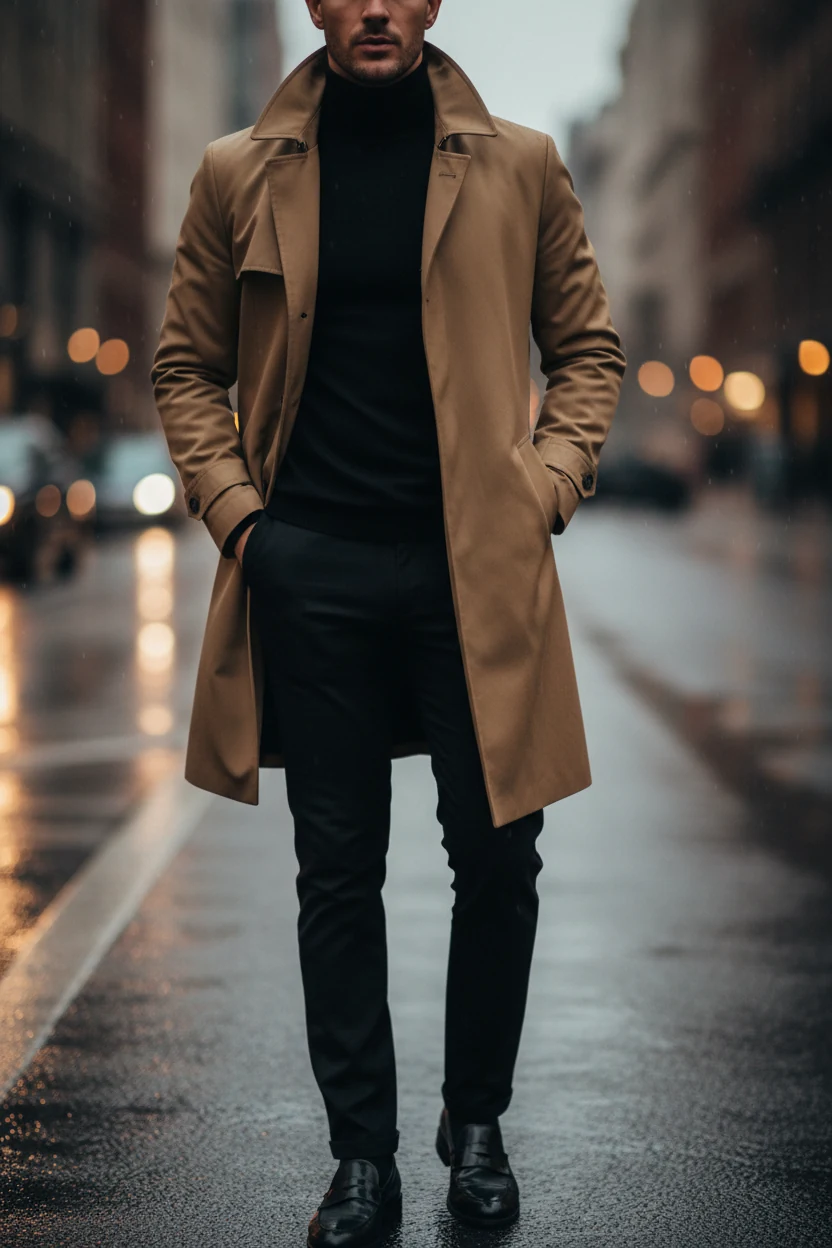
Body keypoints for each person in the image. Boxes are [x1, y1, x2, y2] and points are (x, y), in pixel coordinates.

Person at [152, 1, 625, 1243]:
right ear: (315, 3)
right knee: (336, 876)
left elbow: (586, 349)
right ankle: (360, 1159)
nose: (373, 7)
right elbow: (186, 366)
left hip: (478, 574)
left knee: (499, 860)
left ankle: (476, 1128)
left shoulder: (518, 164)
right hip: (312, 572)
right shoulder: (237, 172)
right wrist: (248, 526)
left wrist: (547, 486)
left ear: (428, 5)